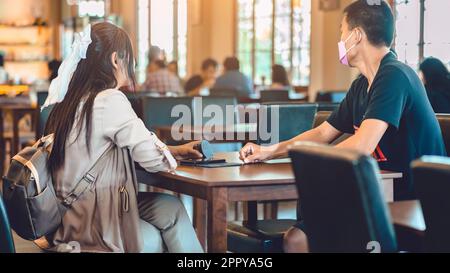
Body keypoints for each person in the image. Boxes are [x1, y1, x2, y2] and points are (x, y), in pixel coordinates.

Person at [239, 0, 446, 253]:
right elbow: (323, 133)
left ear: (356, 35)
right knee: (296, 238)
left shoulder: (395, 75)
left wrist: (308, 164)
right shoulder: (361, 85)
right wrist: (270, 151)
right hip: (375, 194)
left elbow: (362, 145)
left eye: (342, 31)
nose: (340, 39)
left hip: (411, 203)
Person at [43, 22, 203, 253]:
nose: (135, 64)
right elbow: (154, 160)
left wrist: (172, 149)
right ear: (116, 59)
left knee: (171, 208)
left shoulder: (72, 101)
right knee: (158, 237)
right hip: (90, 225)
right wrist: (168, 154)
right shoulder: (109, 99)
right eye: (132, 57)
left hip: (74, 213)